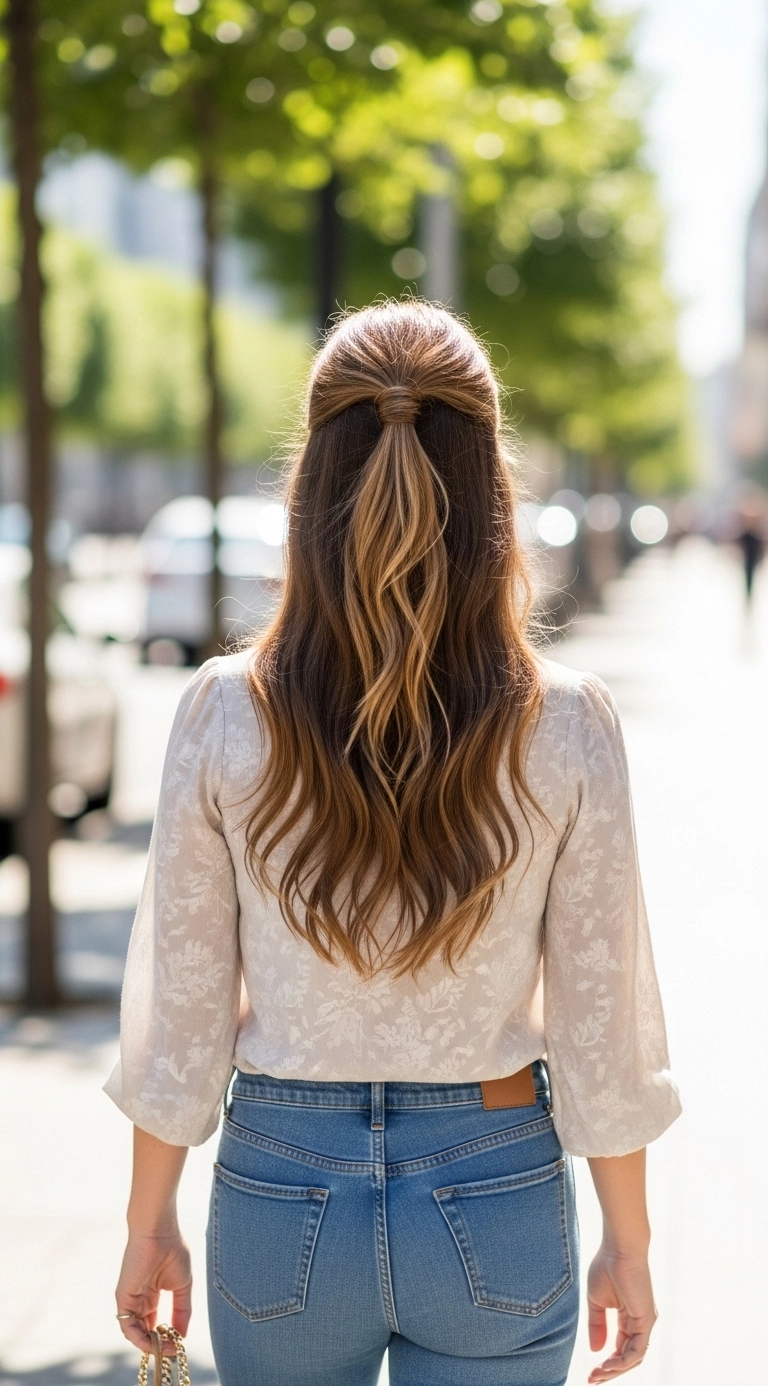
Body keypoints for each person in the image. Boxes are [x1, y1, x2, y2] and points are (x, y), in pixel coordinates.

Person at [107, 303, 681, 1386]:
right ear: (493, 489)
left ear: (311, 478)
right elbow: (601, 1019)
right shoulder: (567, 720)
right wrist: (631, 1243)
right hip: (498, 1182)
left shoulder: (224, 711)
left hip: (279, 1181)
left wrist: (149, 1220)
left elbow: (182, 1012)